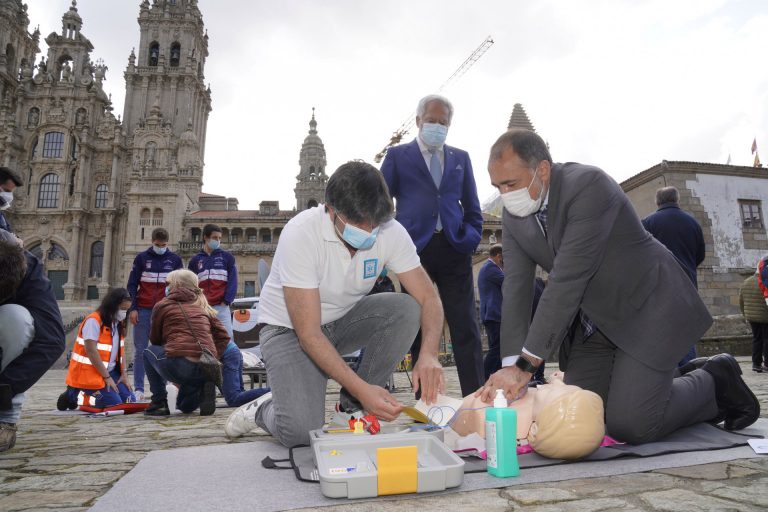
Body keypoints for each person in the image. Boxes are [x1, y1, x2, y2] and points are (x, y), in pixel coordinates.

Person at [478, 129, 759, 444]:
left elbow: (567, 279)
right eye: (497, 187)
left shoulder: (587, 187)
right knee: (584, 414)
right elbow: (515, 289)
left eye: (510, 184)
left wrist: (525, 367)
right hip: (592, 324)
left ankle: (713, 382)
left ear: (542, 170)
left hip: (644, 307)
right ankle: (664, 383)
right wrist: (508, 367)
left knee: (631, 424)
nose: (505, 195)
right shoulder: (516, 216)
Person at [224, 161, 445, 447]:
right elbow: (309, 334)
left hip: (342, 321)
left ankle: (352, 411)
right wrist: (364, 389)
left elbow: (429, 298)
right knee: (302, 433)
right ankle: (262, 410)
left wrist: (428, 354)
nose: (368, 231)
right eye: (358, 223)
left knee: (406, 309)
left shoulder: (390, 231)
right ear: (331, 210)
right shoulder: (301, 233)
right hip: (288, 330)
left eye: (374, 224)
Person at [381, 94, 484, 397]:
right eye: (432, 121)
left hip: (455, 248)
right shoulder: (398, 156)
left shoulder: (460, 158)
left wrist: (470, 238)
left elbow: (473, 206)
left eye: (443, 122)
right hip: (414, 251)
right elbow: (382, 204)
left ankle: (475, 399)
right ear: (418, 121)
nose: (437, 127)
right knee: (416, 325)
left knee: (465, 325)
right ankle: (422, 401)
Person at [0, 238, 65, 452]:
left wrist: (4, 389)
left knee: (16, 319)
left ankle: (4, 417)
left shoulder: (28, 269)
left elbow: (52, 340)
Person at [452, 373, 604, 460]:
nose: (555, 384)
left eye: (549, 391)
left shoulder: (515, 419)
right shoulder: (545, 406)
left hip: (461, 410)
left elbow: (480, 414)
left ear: (537, 425)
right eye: (566, 387)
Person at [143, 269, 229, 416]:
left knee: (148, 352)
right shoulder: (203, 306)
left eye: (168, 283)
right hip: (206, 368)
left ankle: (159, 403)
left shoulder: (163, 305)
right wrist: (212, 357)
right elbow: (223, 337)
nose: (166, 286)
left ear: (176, 285)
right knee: (184, 407)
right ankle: (203, 385)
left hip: (181, 365)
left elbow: (155, 340)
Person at [642, 186, 706, 366]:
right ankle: (689, 371)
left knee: (660, 331)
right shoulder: (692, 223)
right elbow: (699, 255)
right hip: (687, 284)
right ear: (676, 200)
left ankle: (666, 373)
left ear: (657, 201)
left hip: (658, 285)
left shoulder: (648, 223)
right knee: (686, 332)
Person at [126, 227, 183, 400]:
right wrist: (133, 308)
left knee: (165, 350)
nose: (161, 247)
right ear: (152, 242)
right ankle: (139, 389)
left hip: (165, 312)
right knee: (140, 351)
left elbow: (180, 287)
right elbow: (132, 285)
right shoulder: (141, 258)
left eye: (164, 245)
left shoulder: (175, 260)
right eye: (158, 245)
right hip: (143, 310)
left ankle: (164, 386)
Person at [57, 288, 135, 409]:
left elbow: (121, 352)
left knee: (130, 401)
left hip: (111, 371)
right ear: (112, 306)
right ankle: (73, 395)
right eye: (122, 309)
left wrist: (123, 374)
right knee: (114, 404)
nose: (124, 313)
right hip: (89, 372)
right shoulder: (94, 321)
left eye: (127, 310)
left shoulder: (118, 323)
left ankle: (93, 393)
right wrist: (106, 377)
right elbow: (91, 350)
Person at [188, 223, 238, 340]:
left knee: (227, 339)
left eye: (220, 238)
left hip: (221, 307)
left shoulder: (227, 257)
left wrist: (226, 301)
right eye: (215, 238)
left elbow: (233, 281)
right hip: (202, 307)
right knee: (203, 339)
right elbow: (190, 284)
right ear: (205, 237)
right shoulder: (195, 260)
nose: (218, 241)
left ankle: (227, 359)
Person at [479, 244, 504, 380]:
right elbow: (509, 281)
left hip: (490, 314)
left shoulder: (487, 268)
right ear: (499, 256)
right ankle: (483, 377)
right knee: (497, 348)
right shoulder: (491, 268)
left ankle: (492, 377)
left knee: (497, 348)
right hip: (494, 314)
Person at [739, 268, 768, 373]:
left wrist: (745, 315)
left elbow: (741, 301)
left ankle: (756, 364)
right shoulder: (765, 282)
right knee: (766, 340)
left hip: (752, 317)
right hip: (765, 317)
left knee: (757, 339)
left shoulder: (746, 282)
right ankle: (767, 364)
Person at [0, 167, 24, 245]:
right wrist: (13, 240)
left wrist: (16, 240)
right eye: (6, 190)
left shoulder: (2, 216)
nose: (8, 195)